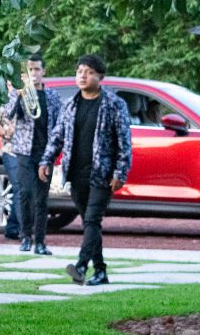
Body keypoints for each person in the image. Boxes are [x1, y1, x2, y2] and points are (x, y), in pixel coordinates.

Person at [39, 54, 132, 286]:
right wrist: (46, 160)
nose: (83, 76)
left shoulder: (113, 104)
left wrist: (120, 172)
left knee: (92, 219)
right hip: (76, 172)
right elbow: (58, 135)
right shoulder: (70, 104)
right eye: (80, 71)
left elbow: (124, 141)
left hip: (102, 174)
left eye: (89, 72)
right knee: (90, 223)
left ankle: (81, 265)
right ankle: (100, 271)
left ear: (100, 77)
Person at [4, 54, 63, 256]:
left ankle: (40, 241)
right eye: (30, 70)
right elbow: (8, 114)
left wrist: (54, 151)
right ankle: (26, 237)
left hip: (45, 153)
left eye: (37, 69)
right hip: (24, 151)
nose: (34, 73)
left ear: (43, 71)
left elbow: (59, 125)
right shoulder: (18, 92)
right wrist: (19, 94)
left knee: (41, 199)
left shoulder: (52, 96)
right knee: (25, 193)